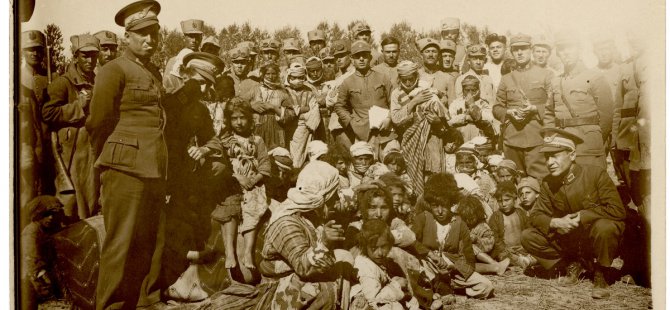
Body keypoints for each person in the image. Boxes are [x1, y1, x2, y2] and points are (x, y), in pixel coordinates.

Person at [86, 1, 199, 307]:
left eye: (155, 34)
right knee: (120, 244)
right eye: (144, 34)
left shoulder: (152, 73)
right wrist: (111, 158)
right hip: (124, 169)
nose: (151, 40)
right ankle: (110, 305)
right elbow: (98, 123)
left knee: (152, 241)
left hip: (153, 169)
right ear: (128, 36)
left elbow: (162, 117)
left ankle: (148, 301)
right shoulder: (113, 70)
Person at [521, 128, 626, 299]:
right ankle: (572, 264)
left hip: (596, 239)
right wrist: (555, 222)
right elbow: (536, 215)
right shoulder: (548, 183)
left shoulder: (595, 174)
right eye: (547, 157)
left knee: (605, 227)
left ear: (572, 155)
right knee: (528, 236)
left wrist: (582, 216)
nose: (549, 162)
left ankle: (601, 272)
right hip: (570, 241)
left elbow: (617, 210)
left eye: (555, 155)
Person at [256, 160, 351, 309]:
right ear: (324, 195)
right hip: (278, 288)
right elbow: (303, 267)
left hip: (298, 277)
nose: (337, 199)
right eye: (334, 193)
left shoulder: (310, 214)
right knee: (325, 291)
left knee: (344, 261)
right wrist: (324, 243)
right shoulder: (286, 223)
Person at [42, 33, 100, 220]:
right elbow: (48, 113)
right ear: (75, 56)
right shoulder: (63, 83)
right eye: (85, 55)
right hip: (72, 154)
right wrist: (79, 106)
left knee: (93, 200)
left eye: (93, 55)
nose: (90, 60)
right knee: (73, 203)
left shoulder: (98, 81)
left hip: (93, 150)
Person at [411, 173, 494, 300]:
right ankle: (438, 287)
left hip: (452, 271)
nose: (439, 211)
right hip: (428, 265)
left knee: (486, 286)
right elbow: (412, 242)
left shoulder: (459, 223)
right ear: (429, 204)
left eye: (443, 205)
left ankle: (445, 286)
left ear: (451, 203)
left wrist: (452, 267)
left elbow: (468, 258)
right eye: (434, 205)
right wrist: (431, 255)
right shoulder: (423, 218)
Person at [212, 98, 270, 270]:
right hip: (231, 181)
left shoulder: (257, 140)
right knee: (230, 209)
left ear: (249, 119)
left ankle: (248, 252)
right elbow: (221, 163)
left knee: (254, 209)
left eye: (243, 118)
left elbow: (265, 164)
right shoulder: (225, 140)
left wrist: (253, 180)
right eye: (235, 118)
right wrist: (238, 178)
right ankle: (230, 252)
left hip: (253, 183)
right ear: (229, 120)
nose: (239, 122)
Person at [544, 32, 614, 169]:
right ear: (558, 53)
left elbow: (606, 116)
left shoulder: (595, 78)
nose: (566, 53)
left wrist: (595, 137)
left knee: (592, 182)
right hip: (562, 143)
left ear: (580, 50)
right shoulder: (555, 81)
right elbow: (549, 114)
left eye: (570, 48)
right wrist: (551, 137)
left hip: (588, 143)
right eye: (562, 49)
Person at [493, 34, 554, 180]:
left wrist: (535, 109)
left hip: (537, 139)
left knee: (541, 180)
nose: (519, 53)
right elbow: (496, 107)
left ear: (531, 50)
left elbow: (555, 106)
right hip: (512, 140)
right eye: (516, 50)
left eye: (523, 49)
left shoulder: (546, 75)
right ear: (512, 52)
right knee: (514, 181)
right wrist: (509, 111)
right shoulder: (506, 78)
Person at [389, 61, 448, 196]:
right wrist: (414, 101)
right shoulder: (396, 94)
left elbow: (441, 113)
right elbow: (396, 119)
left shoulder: (427, 89)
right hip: (410, 139)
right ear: (400, 79)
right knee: (413, 173)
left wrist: (438, 121)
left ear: (417, 76)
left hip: (431, 137)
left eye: (411, 79)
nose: (409, 83)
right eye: (405, 80)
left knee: (433, 172)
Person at [334, 40, 394, 153]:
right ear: (352, 59)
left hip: (385, 131)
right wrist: (351, 122)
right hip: (362, 134)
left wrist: (389, 118)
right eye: (357, 56)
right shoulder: (347, 82)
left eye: (365, 56)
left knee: (390, 162)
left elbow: (393, 102)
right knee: (365, 165)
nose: (361, 59)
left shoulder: (383, 78)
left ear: (370, 57)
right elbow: (339, 106)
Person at [18, 30, 52, 228]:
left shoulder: (48, 76)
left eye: (38, 50)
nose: (35, 54)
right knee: (27, 192)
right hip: (27, 145)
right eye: (30, 50)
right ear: (23, 51)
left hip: (46, 141)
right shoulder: (17, 78)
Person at [350, 219, 420, 310]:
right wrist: (397, 285)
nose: (380, 253)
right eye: (373, 248)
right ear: (364, 246)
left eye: (383, 247)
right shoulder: (365, 267)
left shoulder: (377, 261)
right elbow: (373, 301)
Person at [21, 196, 66, 310]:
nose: (50, 218)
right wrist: (44, 279)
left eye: (53, 214)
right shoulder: (32, 232)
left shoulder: (48, 229)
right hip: (31, 279)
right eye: (46, 215)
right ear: (37, 215)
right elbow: (31, 259)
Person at [346, 187, 416, 250]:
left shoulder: (393, 223)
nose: (379, 214)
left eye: (384, 208)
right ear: (365, 209)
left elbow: (411, 237)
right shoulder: (356, 227)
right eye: (373, 208)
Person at [458, 195, 510, 275]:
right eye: (466, 218)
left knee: (471, 246)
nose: (469, 221)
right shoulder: (464, 225)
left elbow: (490, 244)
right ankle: (496, 267)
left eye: (471, 218)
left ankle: (494, 264)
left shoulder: (483, 227)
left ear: (478, 214)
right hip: (469, 256)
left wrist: (476, 240)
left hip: (485, 254)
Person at [249, 61, 296, 150]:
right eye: (268, 74)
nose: (271, 77)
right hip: (257, 127)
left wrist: (273, 107)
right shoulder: (255, 89)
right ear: (263, 74)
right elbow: (240, 104)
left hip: (276, 128)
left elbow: (291, 113)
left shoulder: (282, 92)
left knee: (276, 153)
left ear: (277, 74)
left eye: (273, 74)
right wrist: (252, 106)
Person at [489, 181, 536, 268]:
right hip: (506, 250)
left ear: (515, 199)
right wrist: (505, 248)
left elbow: (529, 229)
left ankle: (524, 259)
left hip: (522, 249)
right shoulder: (496, 217)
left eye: (507, 200)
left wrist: (525, 246)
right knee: (503, 256)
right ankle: (521, 261)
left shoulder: (520, 213)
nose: (503, 204)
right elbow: (494, 237)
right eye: (500, 201)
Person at [284, 62, 320, 168]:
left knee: (301, 155)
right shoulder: (284, 91)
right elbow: (285, 109)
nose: (298, 80)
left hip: (305, 127)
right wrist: (303, 109)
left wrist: (300, 113)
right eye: (294, 77)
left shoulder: (308, 90)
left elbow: (314, 109)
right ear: (289, 77)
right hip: (287, 126)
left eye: (300, 77)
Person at [448, 75, 497, 143]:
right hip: (460, 138)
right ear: (463, 90)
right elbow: (450, 121)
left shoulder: (484, 103)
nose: (470, 92)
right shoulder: (456, 103)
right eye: (467, 90)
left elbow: (489, 119)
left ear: (478, 90)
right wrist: (466, 117)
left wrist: (472, 105)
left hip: (479, 139)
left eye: (473, 90)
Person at [163, 19, 204, 93]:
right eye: (190, 36)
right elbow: (167, 88)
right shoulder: (173, 61)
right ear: (184, 37)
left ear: (201, 38)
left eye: (197, 36)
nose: (194, 40)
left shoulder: (205, 61)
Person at [416, 37, 455, 105]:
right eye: (427, 51)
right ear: (421, 55)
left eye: (434, 51)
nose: (431, 55)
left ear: (439, 55)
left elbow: (453, 106)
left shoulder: (447, 78)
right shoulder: (415, 75)